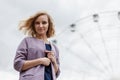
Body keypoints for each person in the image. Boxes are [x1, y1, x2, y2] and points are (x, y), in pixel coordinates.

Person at [13, 11, 60, 80]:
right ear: (34, 26)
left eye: (44, 23)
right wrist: (40, 61)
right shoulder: (27, 41)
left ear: (49, 25)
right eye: (37, 23)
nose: (41, 26)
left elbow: (56, 73)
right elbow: (17, 64)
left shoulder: (55, 48)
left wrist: (54, 61)